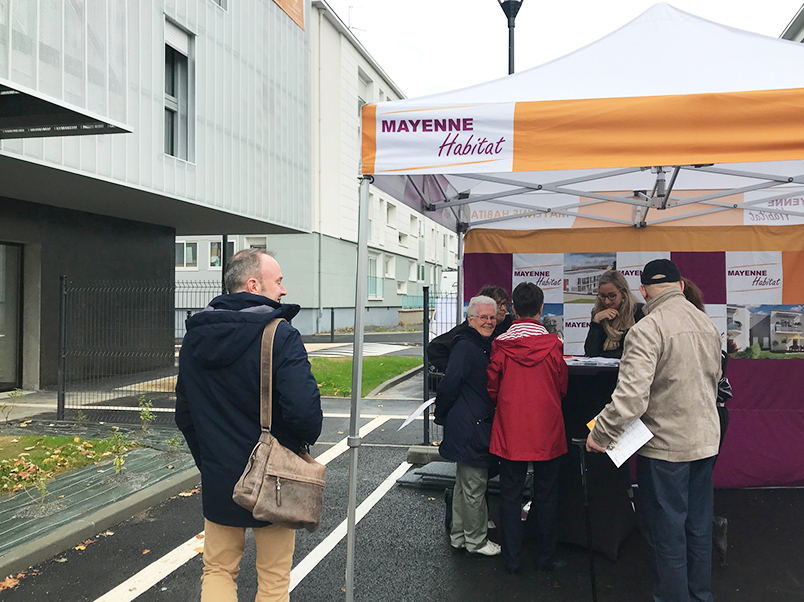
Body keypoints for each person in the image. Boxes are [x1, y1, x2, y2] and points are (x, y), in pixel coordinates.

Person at [176, 249, 323, 602]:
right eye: (279, 281)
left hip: (219, 475)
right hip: (274, 476)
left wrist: (209, 460)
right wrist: (299, 446)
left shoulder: (195, 338)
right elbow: (304, 413)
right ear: (254, 284)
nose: (284, 290)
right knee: (273, 580)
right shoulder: (280, 335)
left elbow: (185, 415)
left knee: (218, 570)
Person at [586, 259, 722, 602]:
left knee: (667, 532)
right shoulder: (707, 323)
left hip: (665, 448)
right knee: (698, 528)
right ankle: (699, 596)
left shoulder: (647, 328)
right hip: (705, 442)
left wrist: (600, 434)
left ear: (644, 291)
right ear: (679, 286)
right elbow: (716, 380)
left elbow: (631, 398)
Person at [487, 282, 568, 574]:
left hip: (511, 427)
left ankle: (512, 558)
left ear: (511, 309)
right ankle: (546, 557)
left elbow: (493, 388)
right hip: (547, 426)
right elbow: (562, 386)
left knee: (510, 494)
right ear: (541, 308)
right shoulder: (553, 344)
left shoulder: (501, 345)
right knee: (546, 493)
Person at [435, 295, 501, 558]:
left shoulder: (478, 344)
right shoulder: (467, 346)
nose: (488, 321)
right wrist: (442, 413)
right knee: (475, 486)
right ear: (469, 319)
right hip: (470, 425)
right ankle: (476, 541)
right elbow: (450, 382)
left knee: (465, 485)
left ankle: (459, 536)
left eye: (492, 317)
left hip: (466, 423)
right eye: (483, 317)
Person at [682, 277, 733, 568]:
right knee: (694, 488)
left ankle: (701, 540)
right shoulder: (709, 331)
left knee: (688, 488)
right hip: (711, 418)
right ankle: (704, 538)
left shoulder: (698, 335)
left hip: (702, 418)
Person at [428, 286, 513, 372]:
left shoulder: (510, 326)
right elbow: (434, 347)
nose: (503, 308)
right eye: (498, 304)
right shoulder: (465, 330)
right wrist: (457, 368)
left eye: (505, 304)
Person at [584, 270, 645, 358]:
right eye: (602, 296)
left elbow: (634, 350)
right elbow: (591, 352)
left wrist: (604, 355)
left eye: (612, 296)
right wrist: (596, 321)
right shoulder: (598, 313)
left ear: (623, 294)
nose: (607, 301)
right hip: (602, 370)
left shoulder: (638, 311)